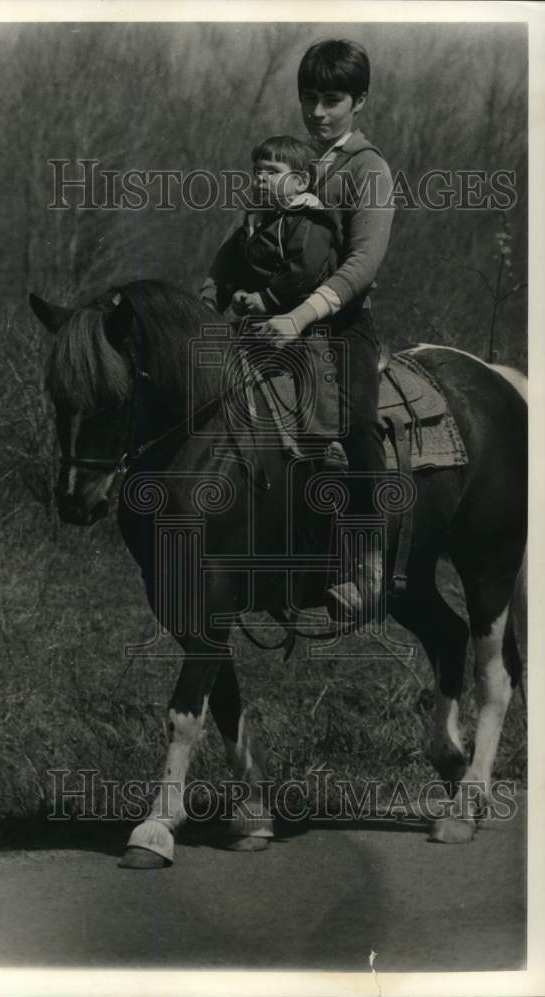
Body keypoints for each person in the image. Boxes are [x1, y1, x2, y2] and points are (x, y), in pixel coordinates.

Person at [208, 38, 395, 625]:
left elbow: (362, 263)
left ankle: (368, 565)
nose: (318, 112)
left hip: (340, 328)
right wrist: (207, 299)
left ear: (359, 101)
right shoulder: (291, 165)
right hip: (272, 325)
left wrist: (298, 315)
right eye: (309, 98)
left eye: (333, 99)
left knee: (357, 424)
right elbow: (240, 247)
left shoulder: (369, 170)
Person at [200, 134, 341, 319]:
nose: (261, 178)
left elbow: (304, 272)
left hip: (303, 320)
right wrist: (234, 294)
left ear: (301, 182)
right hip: (259, 316)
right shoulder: (254, 220)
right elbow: (231, 266)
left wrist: (268, 298)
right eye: (257, 171)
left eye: (273, 172)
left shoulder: (308, 219)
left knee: (308, 347)